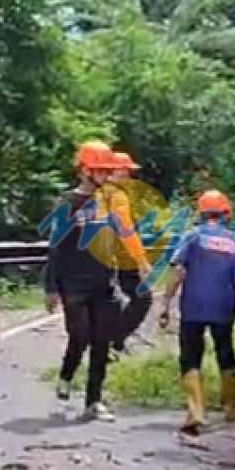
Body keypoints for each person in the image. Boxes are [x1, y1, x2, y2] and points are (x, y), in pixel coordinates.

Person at [43, 141, 144, 421]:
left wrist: (138, 262)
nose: (105, 175)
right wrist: (51, 287)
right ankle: (66, 375)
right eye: (100, 169)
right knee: (81, 335)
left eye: (107, 170)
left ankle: (94, 400)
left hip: (104, 281)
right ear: (86, 170)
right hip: (74, 284)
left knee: (102, 341)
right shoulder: (68, 202)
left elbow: (124, 234)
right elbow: (55, 247)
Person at [159, 190, 235, 435]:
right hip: (225, 307)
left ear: (201, 213)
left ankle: (196, 413)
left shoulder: (192, 238)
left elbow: (179, 272)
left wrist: (165, 303)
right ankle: (232, 408)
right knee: (225, 352)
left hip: (193, 306)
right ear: (226, 213)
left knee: (191, 356)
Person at [108, 150, 153, 354]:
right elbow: (126, 229)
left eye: (129, 174)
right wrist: (141, 261)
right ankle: (114, 340)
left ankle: (111, 340)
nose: (128, 178)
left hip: (107, 258)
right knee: (142, 298)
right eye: (123, 173)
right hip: (122, 259)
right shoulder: (117, 196)